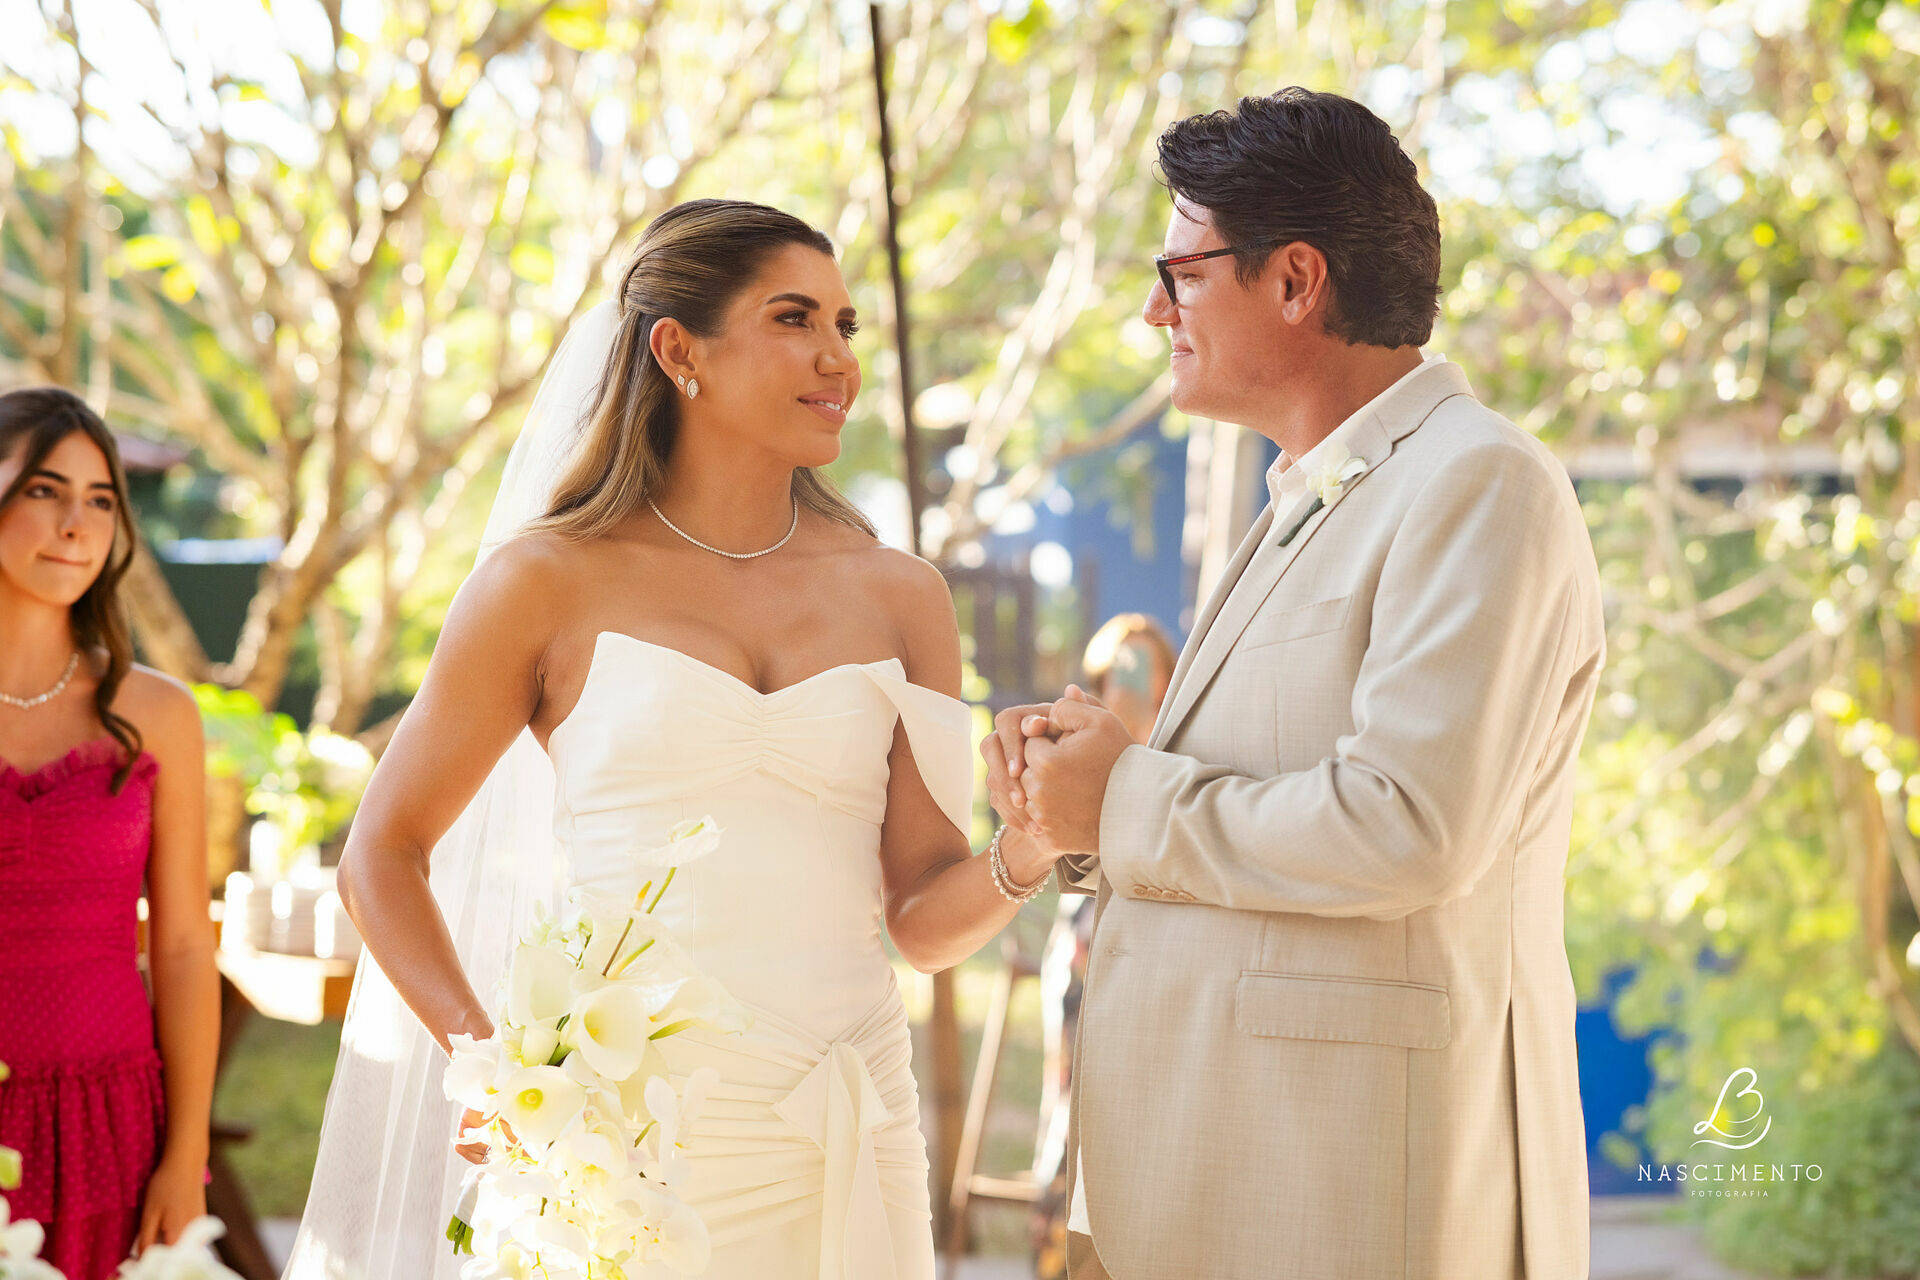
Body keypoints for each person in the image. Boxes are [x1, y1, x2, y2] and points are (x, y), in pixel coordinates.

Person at [287, 199, 1064, 1279]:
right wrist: (497, 1067)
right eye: (796, 319)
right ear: (677, 349)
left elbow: (924, 918)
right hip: (622, 1133)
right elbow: (383, 852)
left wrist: (1027, 850)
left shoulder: (901, 595)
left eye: (846, 326)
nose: (836, 356)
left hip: (845, 1116)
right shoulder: (544, 579)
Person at [983, 89, 1605, 1278]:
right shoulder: (1305, 495)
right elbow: (1246, 803)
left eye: (1181, 272)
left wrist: (1124, 800)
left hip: (1354, 1189)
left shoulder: (1480, 483)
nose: (1153, 307)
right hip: (1214, 1172)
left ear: (1294, 279)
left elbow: (1409, 825)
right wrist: (1076, 806)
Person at [0, 388, 218, 1276]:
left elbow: (180, 950)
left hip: (109, 1124)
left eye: (100, 500)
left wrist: (185, 1156)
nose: (76, 524)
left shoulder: (158, 713)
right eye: (45, 490)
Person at [1029, 614, 1175, 1278]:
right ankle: (1055, 1244)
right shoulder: (1081, 735)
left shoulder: (1182, 743)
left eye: (1146, 667)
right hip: (1089, 927)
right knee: (1068, 1099)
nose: (1135, 680)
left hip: (1156, 938)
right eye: (1122, 668)